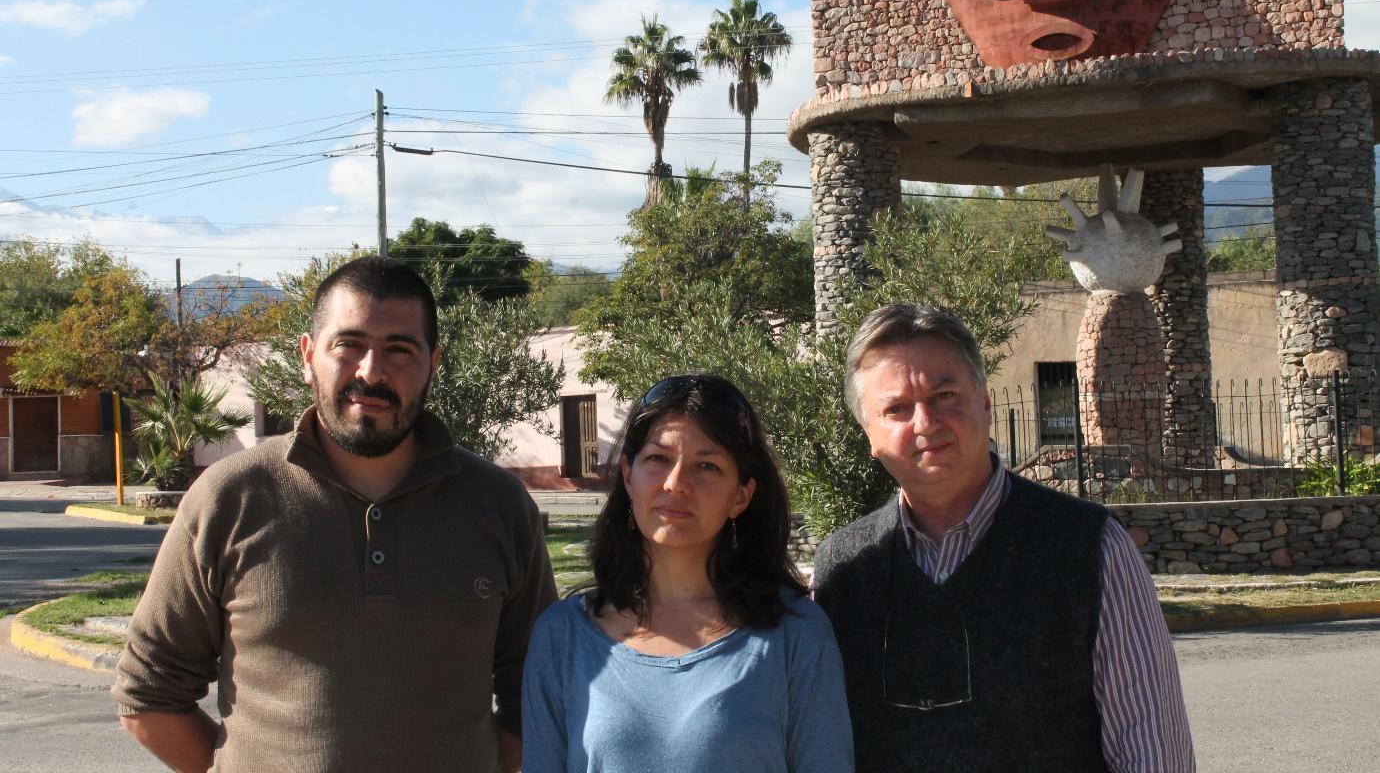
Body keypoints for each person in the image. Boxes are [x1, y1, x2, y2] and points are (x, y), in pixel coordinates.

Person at [112, 257, 556, 773]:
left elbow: (538, 691)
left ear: (433, 363)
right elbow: (148, 692)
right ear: (307, 356)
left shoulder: (498, 505)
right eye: (349, 345)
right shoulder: (229, 498)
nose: (371, 371)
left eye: (399, 349)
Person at [813, 304, 1194, 773]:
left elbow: (1152, 752)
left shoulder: (1090, 550)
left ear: (985, 401)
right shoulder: (843, 571)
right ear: (868, 433)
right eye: (896, 409)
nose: (926, 423)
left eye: (945, 394)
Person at [522, 374, 853, 773]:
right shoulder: (562, 637)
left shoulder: (796, 635)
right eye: (658, 459)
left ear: (741, 495)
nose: (676, 484)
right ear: (628, 474)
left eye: (707, 466)